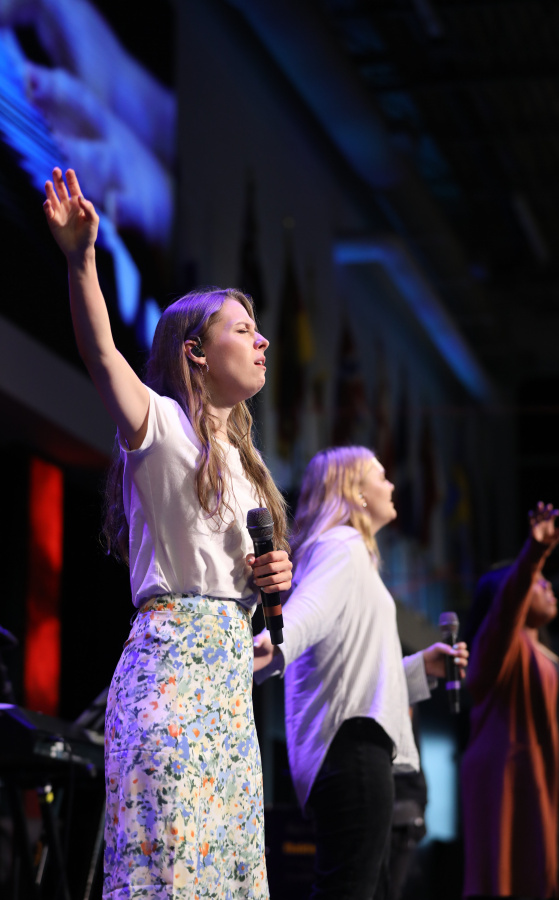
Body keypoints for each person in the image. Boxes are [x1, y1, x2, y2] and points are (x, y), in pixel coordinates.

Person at [43, 166, 292, 899]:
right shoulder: (161, 429)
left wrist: (270, 589)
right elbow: (101, 353)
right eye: (242, 329)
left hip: (230, 699)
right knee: (169, 876)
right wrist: (81, 259)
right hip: (172, 683)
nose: (263, 340)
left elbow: (248, 598)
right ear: (195, 351)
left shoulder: (250, 470)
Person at [253, 445, 468, 900]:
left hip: (350, 746)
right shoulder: (342, 546)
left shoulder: (352, 555)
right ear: (356, 491)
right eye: (381, 476)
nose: (391, 485)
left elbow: (359, 676)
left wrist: (421, 668)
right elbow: (308, 613)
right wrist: (268, 647)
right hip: (351, 749)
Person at [461, 502, 559, 900]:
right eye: (538, 581)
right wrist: (534, 554)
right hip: (521, 789)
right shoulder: (501, 650)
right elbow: (506, 610)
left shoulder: (552, 660)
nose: (548, 586)